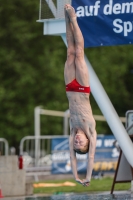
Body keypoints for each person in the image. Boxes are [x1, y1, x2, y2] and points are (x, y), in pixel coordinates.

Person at [64, 4, 97, 187]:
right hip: (83, 88)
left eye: (76, 143)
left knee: (69, 53)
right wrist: (88, 177)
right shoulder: (90, 131)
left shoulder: (71, 131)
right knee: (79, 54)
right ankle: (74, 19)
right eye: (80, 143)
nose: (77, 140)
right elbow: (90, 156)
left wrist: (75, 175)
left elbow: (72, 157)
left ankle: (66, 20)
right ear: (87, 141)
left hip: (70, 88)